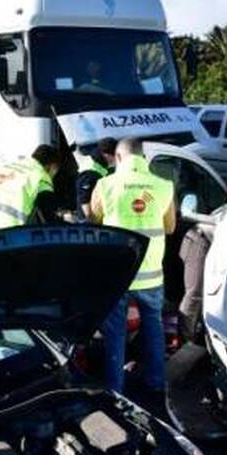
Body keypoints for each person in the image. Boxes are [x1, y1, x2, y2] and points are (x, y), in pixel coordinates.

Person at [90, 137, 176, 393]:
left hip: (118, 276)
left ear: (117, 157)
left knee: (114, 334)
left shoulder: (105, 184)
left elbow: (94, 223)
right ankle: (156, 383)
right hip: (151, 277)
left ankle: (116, 391)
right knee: (154, 328)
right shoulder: (163, 186)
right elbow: (170, 227)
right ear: (143, 157)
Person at [76, 137, 116, 221]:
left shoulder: (100, 167)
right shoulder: (90, 171)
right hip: (88, 222)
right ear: (107, 155)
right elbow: (84, 197)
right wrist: (89, 218)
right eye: (115, 155)